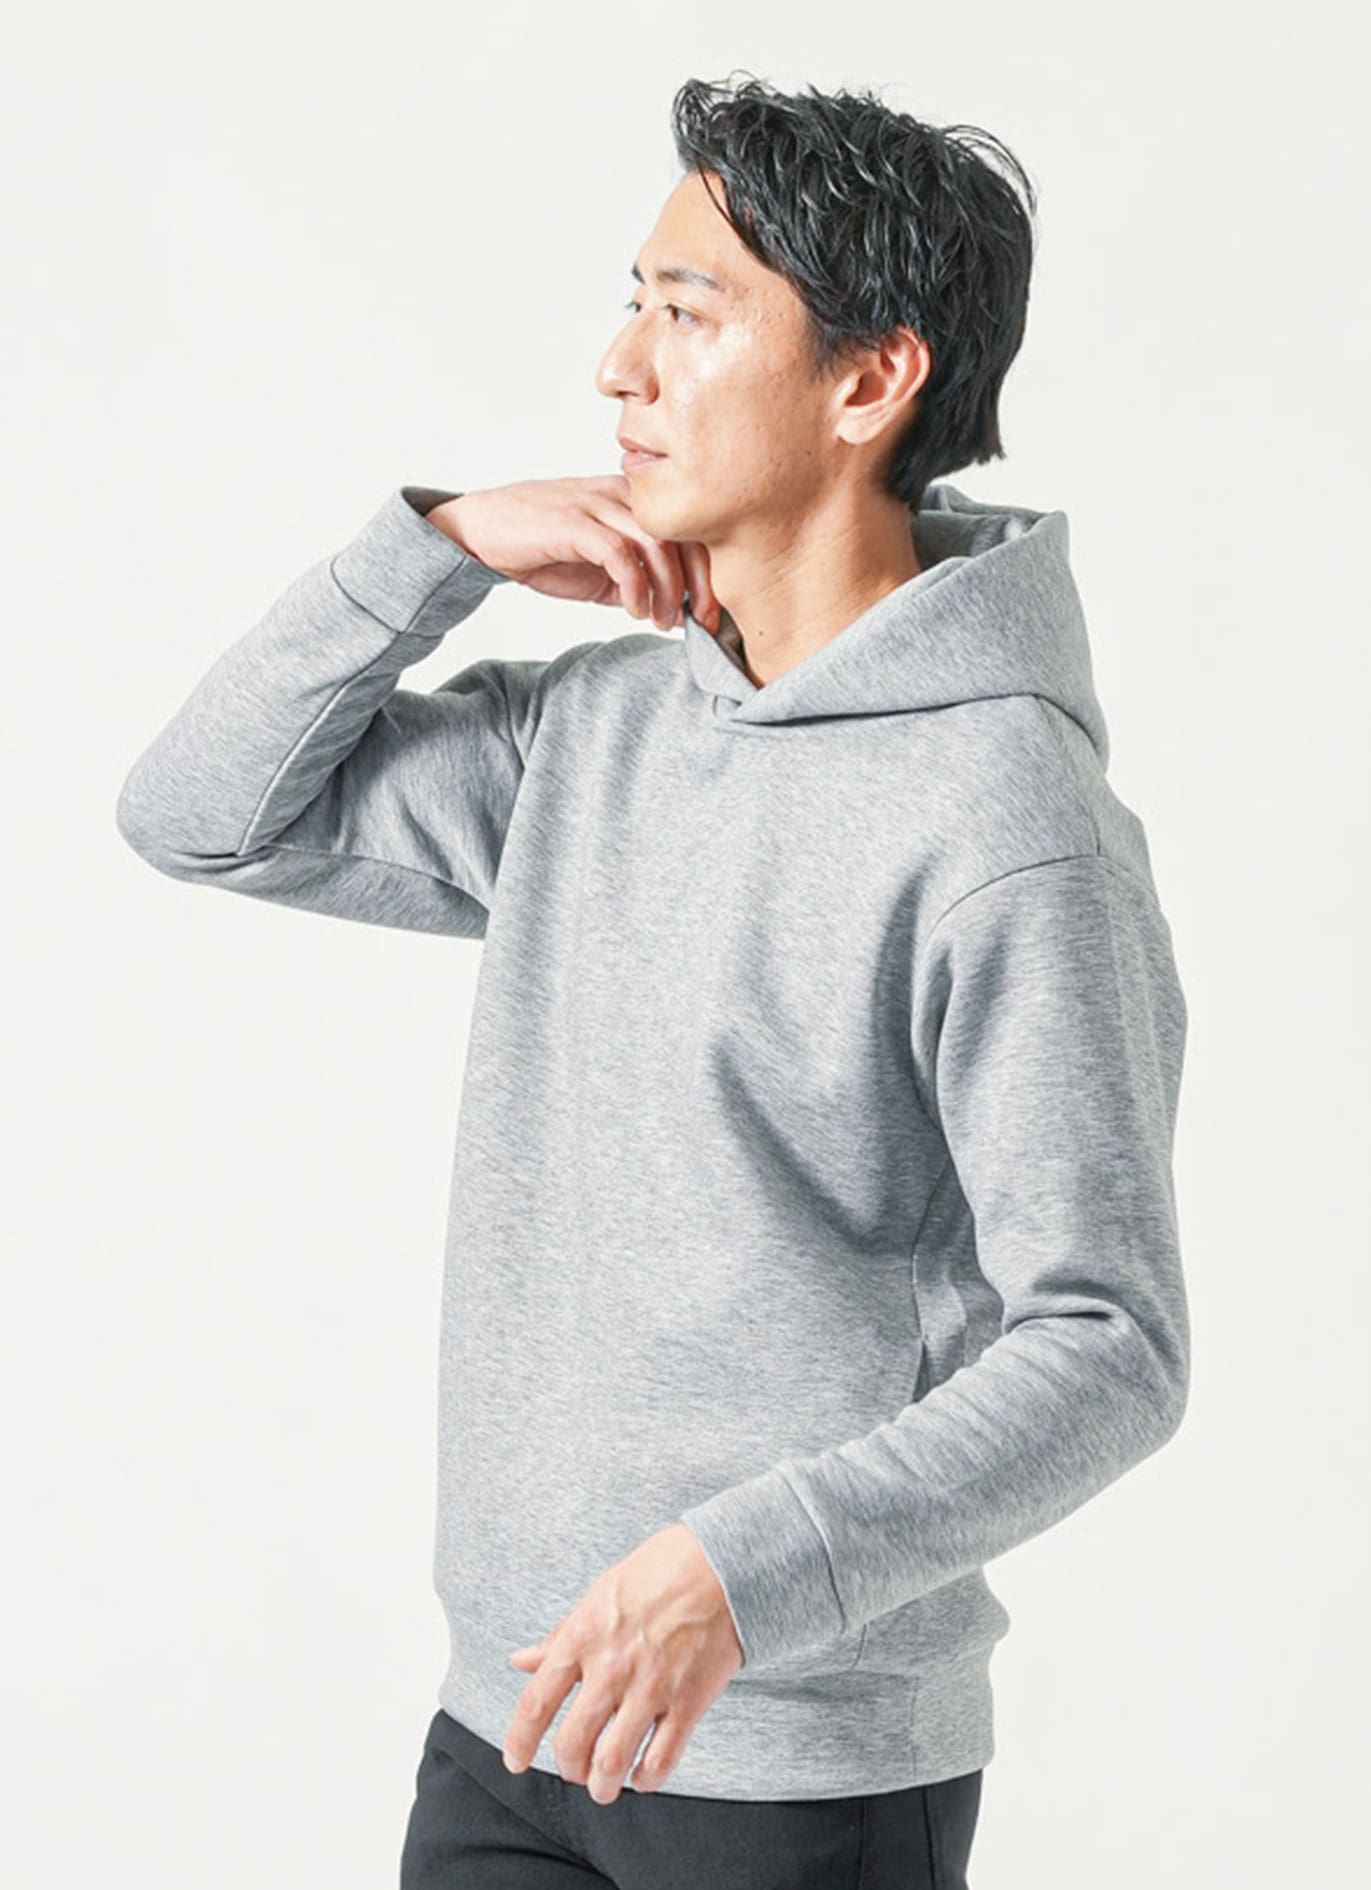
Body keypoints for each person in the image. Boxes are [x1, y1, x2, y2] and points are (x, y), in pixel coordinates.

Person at [115, 72, 1190, 1890]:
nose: (619, 367)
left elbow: (1110, 1345)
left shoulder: (1011, 823)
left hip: (796, 1782)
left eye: (688, 314)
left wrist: (742, 1573)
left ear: (871, 382)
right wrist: (437, 550)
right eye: (635, 302)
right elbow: (198, 816)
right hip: (508, 1725)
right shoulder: (591, 734)